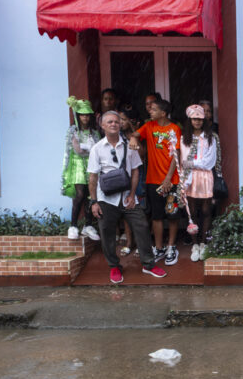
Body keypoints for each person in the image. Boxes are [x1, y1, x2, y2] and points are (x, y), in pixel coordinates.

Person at [88, 110, 167, 284]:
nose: (113, 124)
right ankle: (114, 266)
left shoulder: (129, 145)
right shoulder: (97, 149)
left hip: (128, 197)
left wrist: (132, 195)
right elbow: (93, 177)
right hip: (106, 199)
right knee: (107, 232)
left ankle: (148, 264)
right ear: (102, 126)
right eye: (109, 122)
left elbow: (135, 171)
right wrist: (94, 202)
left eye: (116, 121)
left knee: (142, 227)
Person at [129, 97, 182, 265]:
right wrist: (133, 138)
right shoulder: (149, 126)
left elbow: (176, 155)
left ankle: (171, 246)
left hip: (171, 180)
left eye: (153, 109)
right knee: (157, 216)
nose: (149, 111)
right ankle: (159, 248)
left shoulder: (174, 129)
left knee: (172, 215)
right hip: (152, 180)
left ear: (163, 113)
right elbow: (136, 134)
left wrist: (168, 179)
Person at [180, 104, 220, 260]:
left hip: (205, 178)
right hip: (190, 178)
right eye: (194, 119)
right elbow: (184, 160)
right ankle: (195, 244)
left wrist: (193, 163)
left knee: (206, 211)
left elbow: (209, 162)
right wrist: (193, 163)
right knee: (192, 212)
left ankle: (204, 242)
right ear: (190, 120)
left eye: (200, 119)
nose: (197, 122)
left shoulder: (210, 138)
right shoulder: (185, 138)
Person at [61, 97, 100, 241]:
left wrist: (89, 148)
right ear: (78, 115)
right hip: (77, 164)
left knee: (90, 195)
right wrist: (87, 147)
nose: (85, 117)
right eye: (82, 114)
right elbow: (77, 151)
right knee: (79, 195)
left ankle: (88, 225)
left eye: (87, 114)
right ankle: (73, 225)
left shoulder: (94, 133)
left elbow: (97, 150)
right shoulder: (73, 131)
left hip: (91, 165)